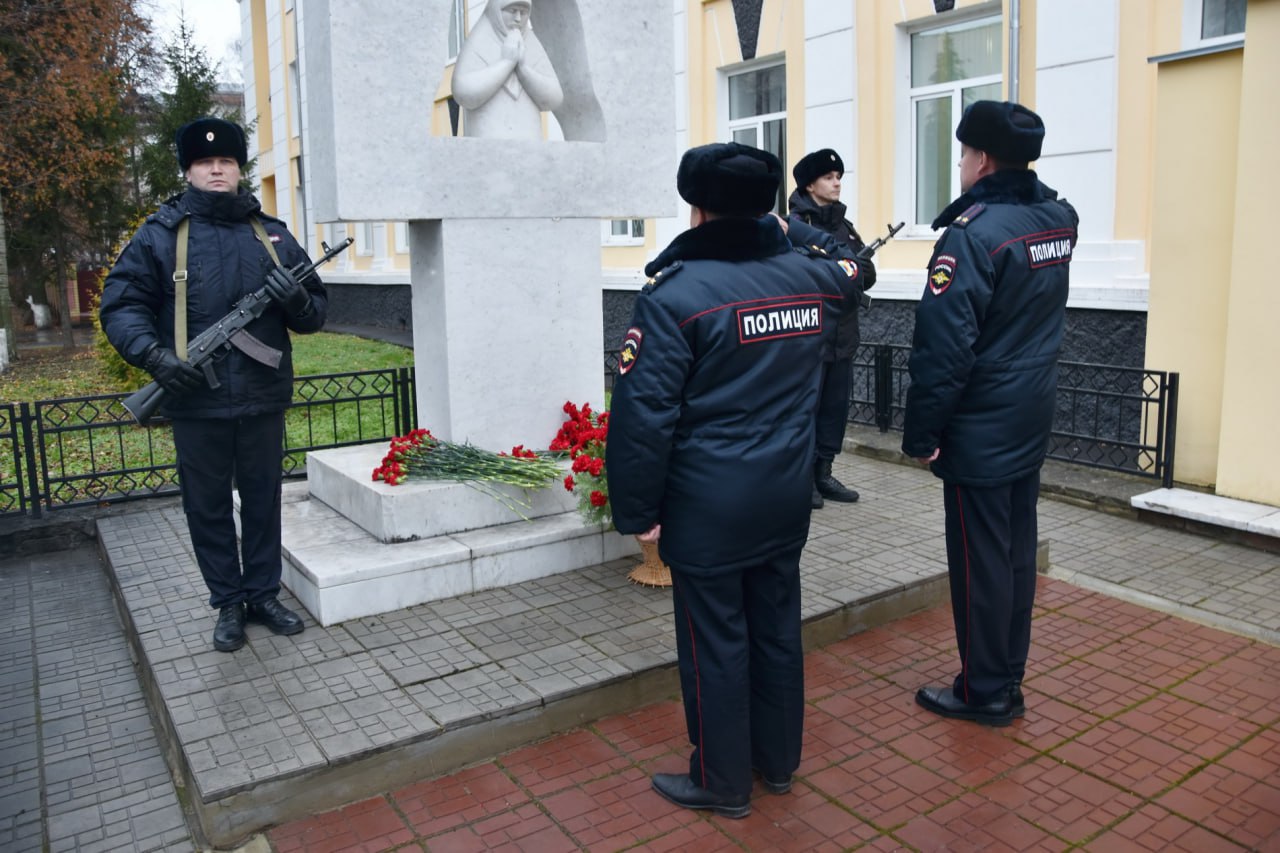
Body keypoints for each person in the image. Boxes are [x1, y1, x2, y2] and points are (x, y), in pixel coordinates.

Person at [605, 142, 856, 818]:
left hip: (709, 503)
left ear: (697, 207)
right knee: (775, 628)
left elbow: (643, 417)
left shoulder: (675, 295)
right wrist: (792, 229)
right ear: (769, 209)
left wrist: (636, 509)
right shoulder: (808, 280)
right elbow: (855, 269)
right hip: (783, 493)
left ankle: (721, 779)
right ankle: (776, 762)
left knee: (715, 640)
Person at [100, 117, 327, 653]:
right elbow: (122, 304)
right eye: (205, 162)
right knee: (206, 506)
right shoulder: (160, 235)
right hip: (195, 398)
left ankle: (264, 595)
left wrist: (296, 300)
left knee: (263, 499)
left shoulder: (270, 235)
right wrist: (155, 358)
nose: (217, 169)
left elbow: (315, 310)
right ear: (189, 170)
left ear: (238, 168)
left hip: (261, 394)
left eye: (226, 161)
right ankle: (227, 601)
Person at [902, 101, 1078, 726]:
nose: (959, 164)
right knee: (1015, 552)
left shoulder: (973, 235)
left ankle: (983, 691)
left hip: (980, 424)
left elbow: (945, 347)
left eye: (962, 154)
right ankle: (1008, 673)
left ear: (981, 159)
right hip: (1030, 412)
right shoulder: (1058, 218)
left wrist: (922, 434)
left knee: (979, 562)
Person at [788, 148, 876, 508]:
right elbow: (801, 278)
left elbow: (866, 273)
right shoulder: (795, 227)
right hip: (810, 336)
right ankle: (802, 478)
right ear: (810, 185)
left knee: (834, 409)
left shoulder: (844, 225)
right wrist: (842, 272)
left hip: (843, 334)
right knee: (806, 409)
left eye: (839, 177)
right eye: (829, 177)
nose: (837, 182)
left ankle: (824, 472)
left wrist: (847, 271)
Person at [451, 0, 564, 140]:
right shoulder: (480, 39)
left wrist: (523, 69)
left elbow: (555, 97)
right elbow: (463, 92)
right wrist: (506, 63)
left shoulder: (530, 41)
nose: (518, 18)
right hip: (488, 142)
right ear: (497, 10)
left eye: (523, 13)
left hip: (531, 141)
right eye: (512, 11)